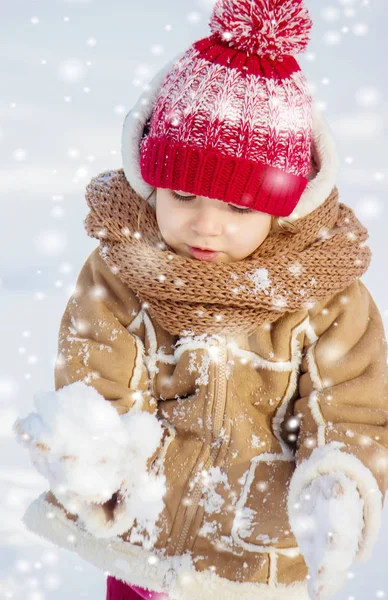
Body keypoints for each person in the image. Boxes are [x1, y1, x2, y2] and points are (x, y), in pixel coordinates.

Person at [14, 1, 388, 599]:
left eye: (239, 206)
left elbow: (352, 408)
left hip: (259, 562)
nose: (205, 226)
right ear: (151, 181)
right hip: (147, 545)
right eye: (183, 194)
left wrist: (336, 483)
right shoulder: (125, 268)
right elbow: (96, 370)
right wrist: (96, 456)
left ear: (284, 205)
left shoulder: (324, 292)